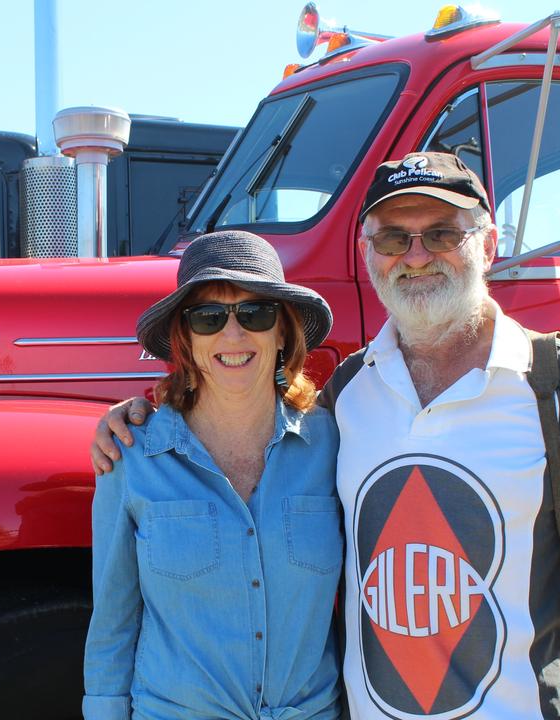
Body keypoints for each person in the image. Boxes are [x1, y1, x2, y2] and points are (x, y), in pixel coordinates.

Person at [91, 152, 560, 719]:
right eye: (394, 239)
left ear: (488, 246)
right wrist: (140, 415)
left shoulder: (555, 383)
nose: (416, 256)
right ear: (370, 255)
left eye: (442, 234)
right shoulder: (350, 394)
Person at [82, 230, 344, 720]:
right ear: (184, 338)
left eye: (256, 313)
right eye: (207, 317)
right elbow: (113, 622)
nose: (233, 334)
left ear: (283, 331)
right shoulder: (132, 455)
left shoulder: (334, 445)